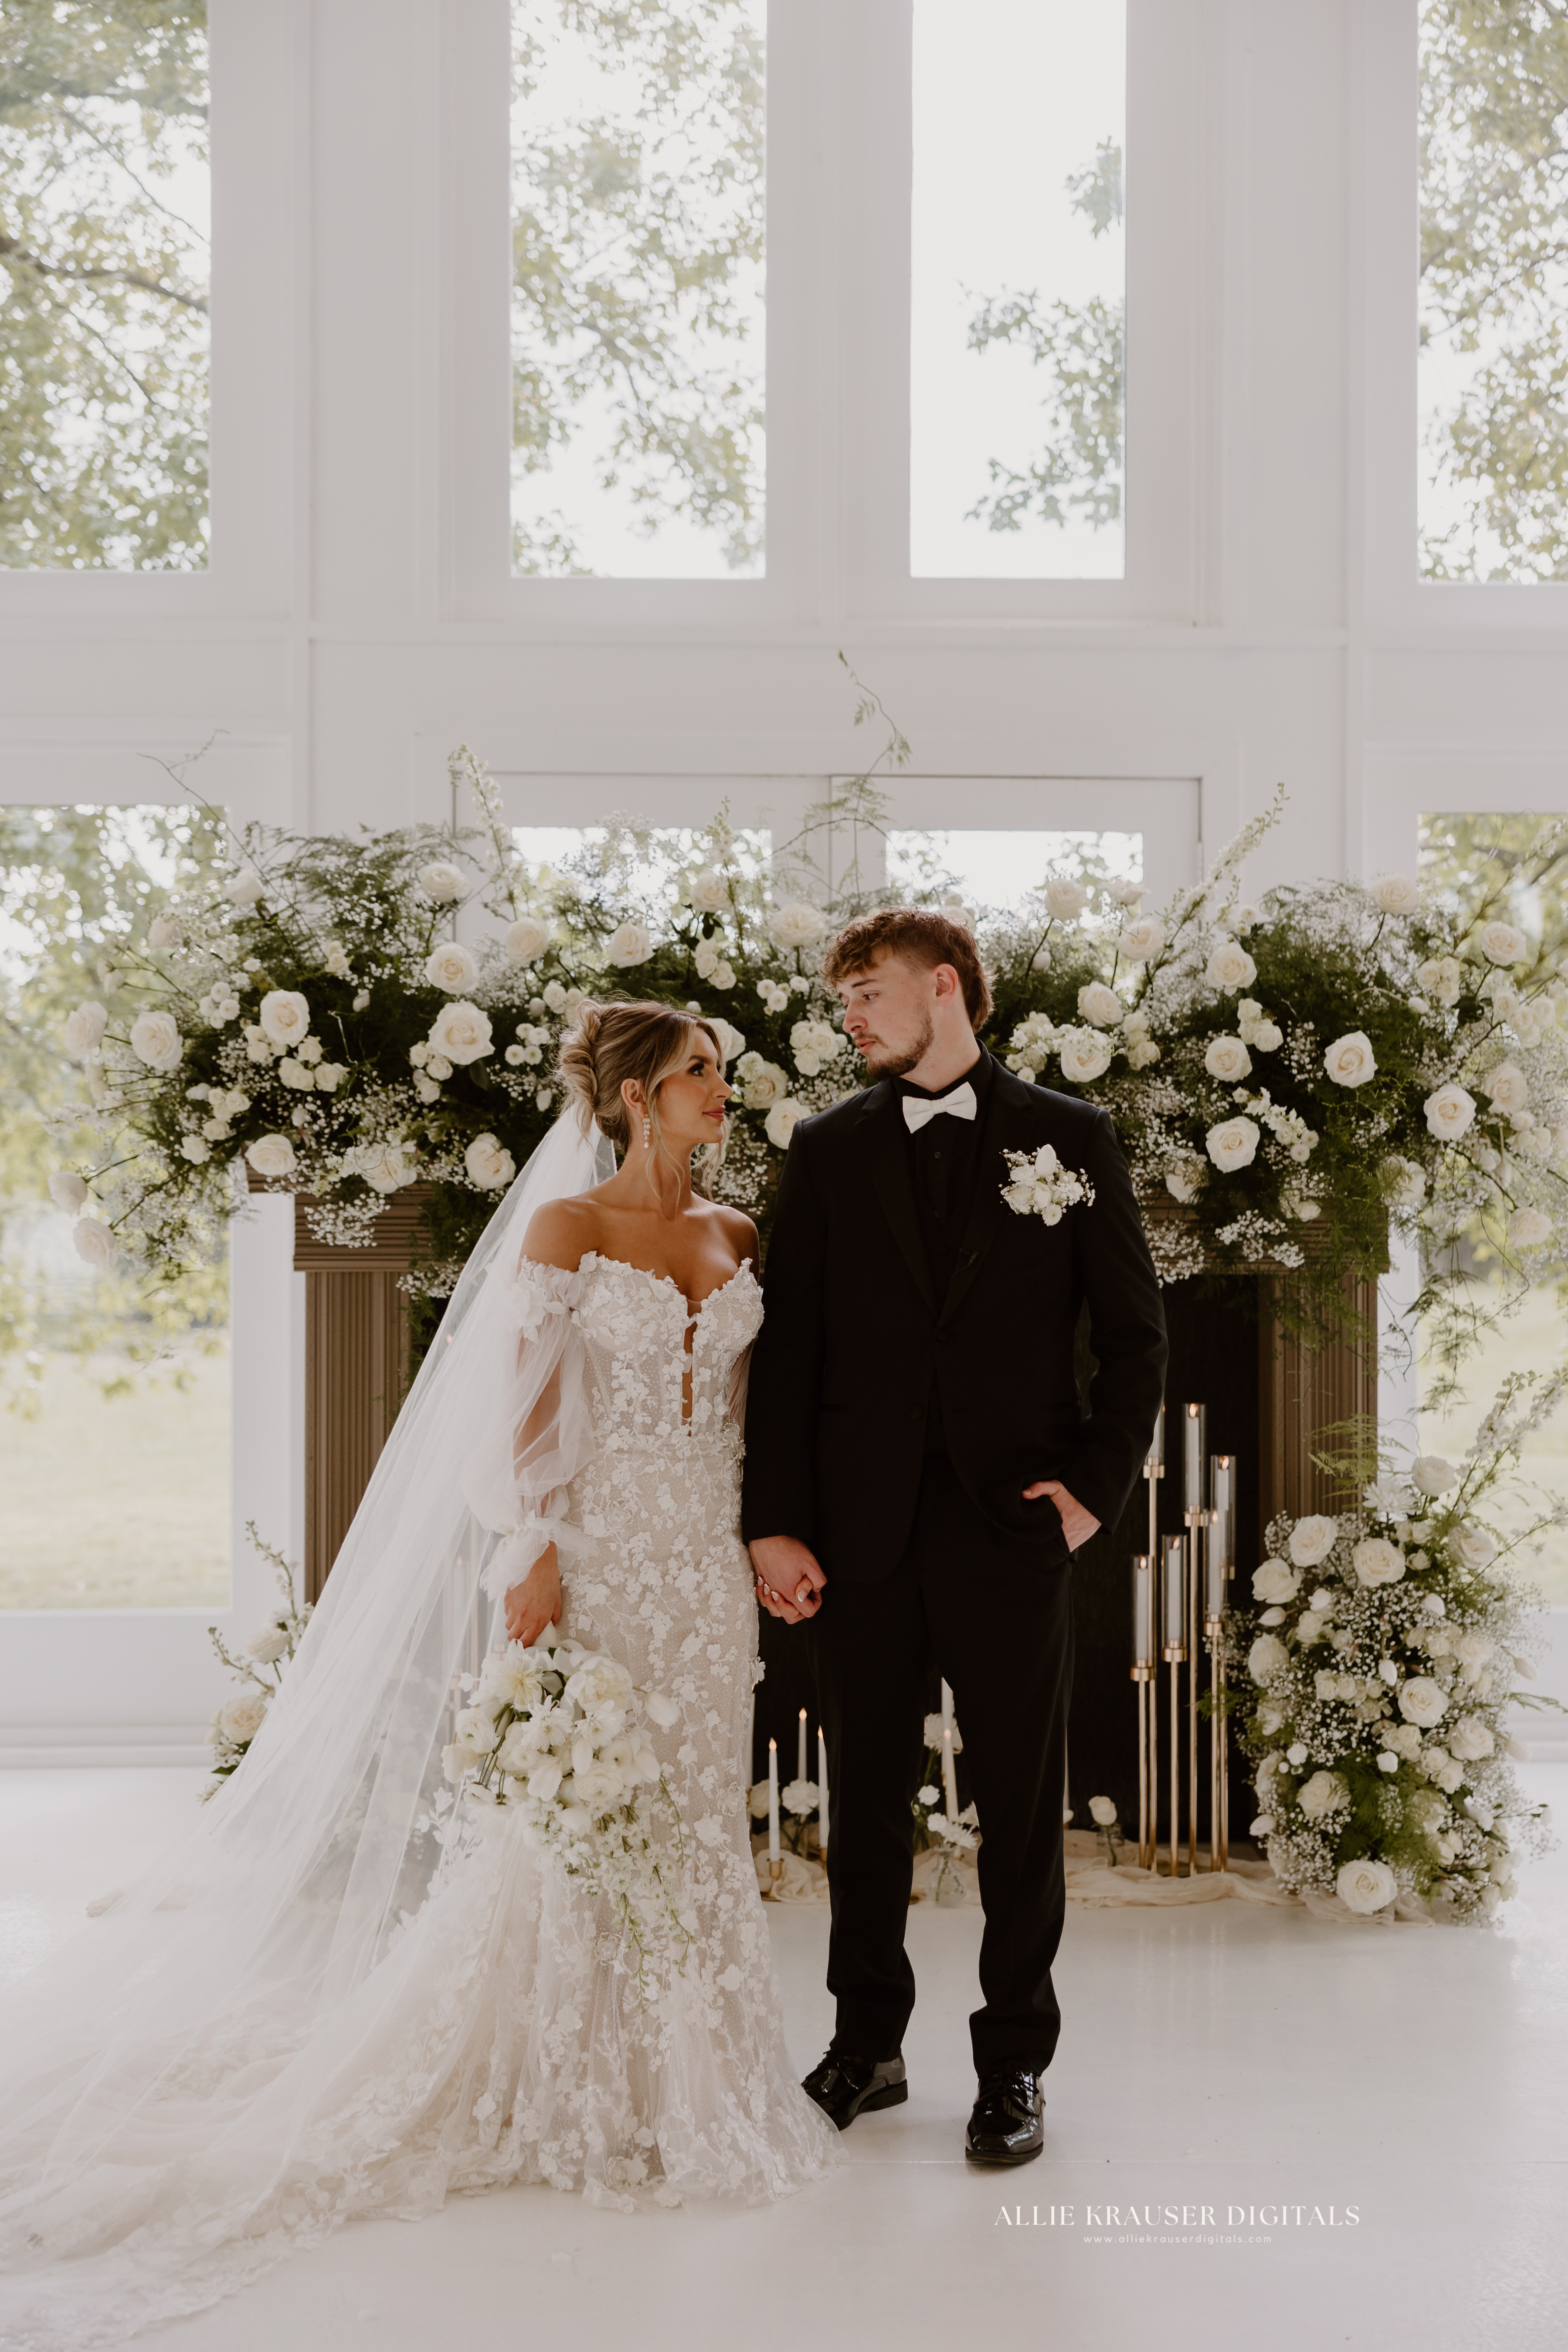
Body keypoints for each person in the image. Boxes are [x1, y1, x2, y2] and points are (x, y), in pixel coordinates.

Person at [0, 1001, 838, 2352]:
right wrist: (537, 1547)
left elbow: (748, 1416)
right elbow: (519, 1412)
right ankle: (554, 2075)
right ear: (634, 1096)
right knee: (579, 1817)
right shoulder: (570, 1233)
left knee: (689, 1808)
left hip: (700, 1566)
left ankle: (689, 2073)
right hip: (600, 1553)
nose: (720, 1095)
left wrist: (756, 1543)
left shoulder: (740, 1236)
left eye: (720, 1078)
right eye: (698, 1076)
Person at [743, 909, 1167, 2166]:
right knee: (865, 1801)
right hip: (859, 1539)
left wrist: (1091, 1494)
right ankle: (867, 2045)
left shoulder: (1069, 1138)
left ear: (944, 987)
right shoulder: (825, 1151)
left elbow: (1136, 1338)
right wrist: (773, 1523)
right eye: (844, 1003)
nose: (854, 1020)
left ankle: (1014, 2067)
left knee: (1023, 1814)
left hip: (1010, 1534)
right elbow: (790, 1356)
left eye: (868, 994)